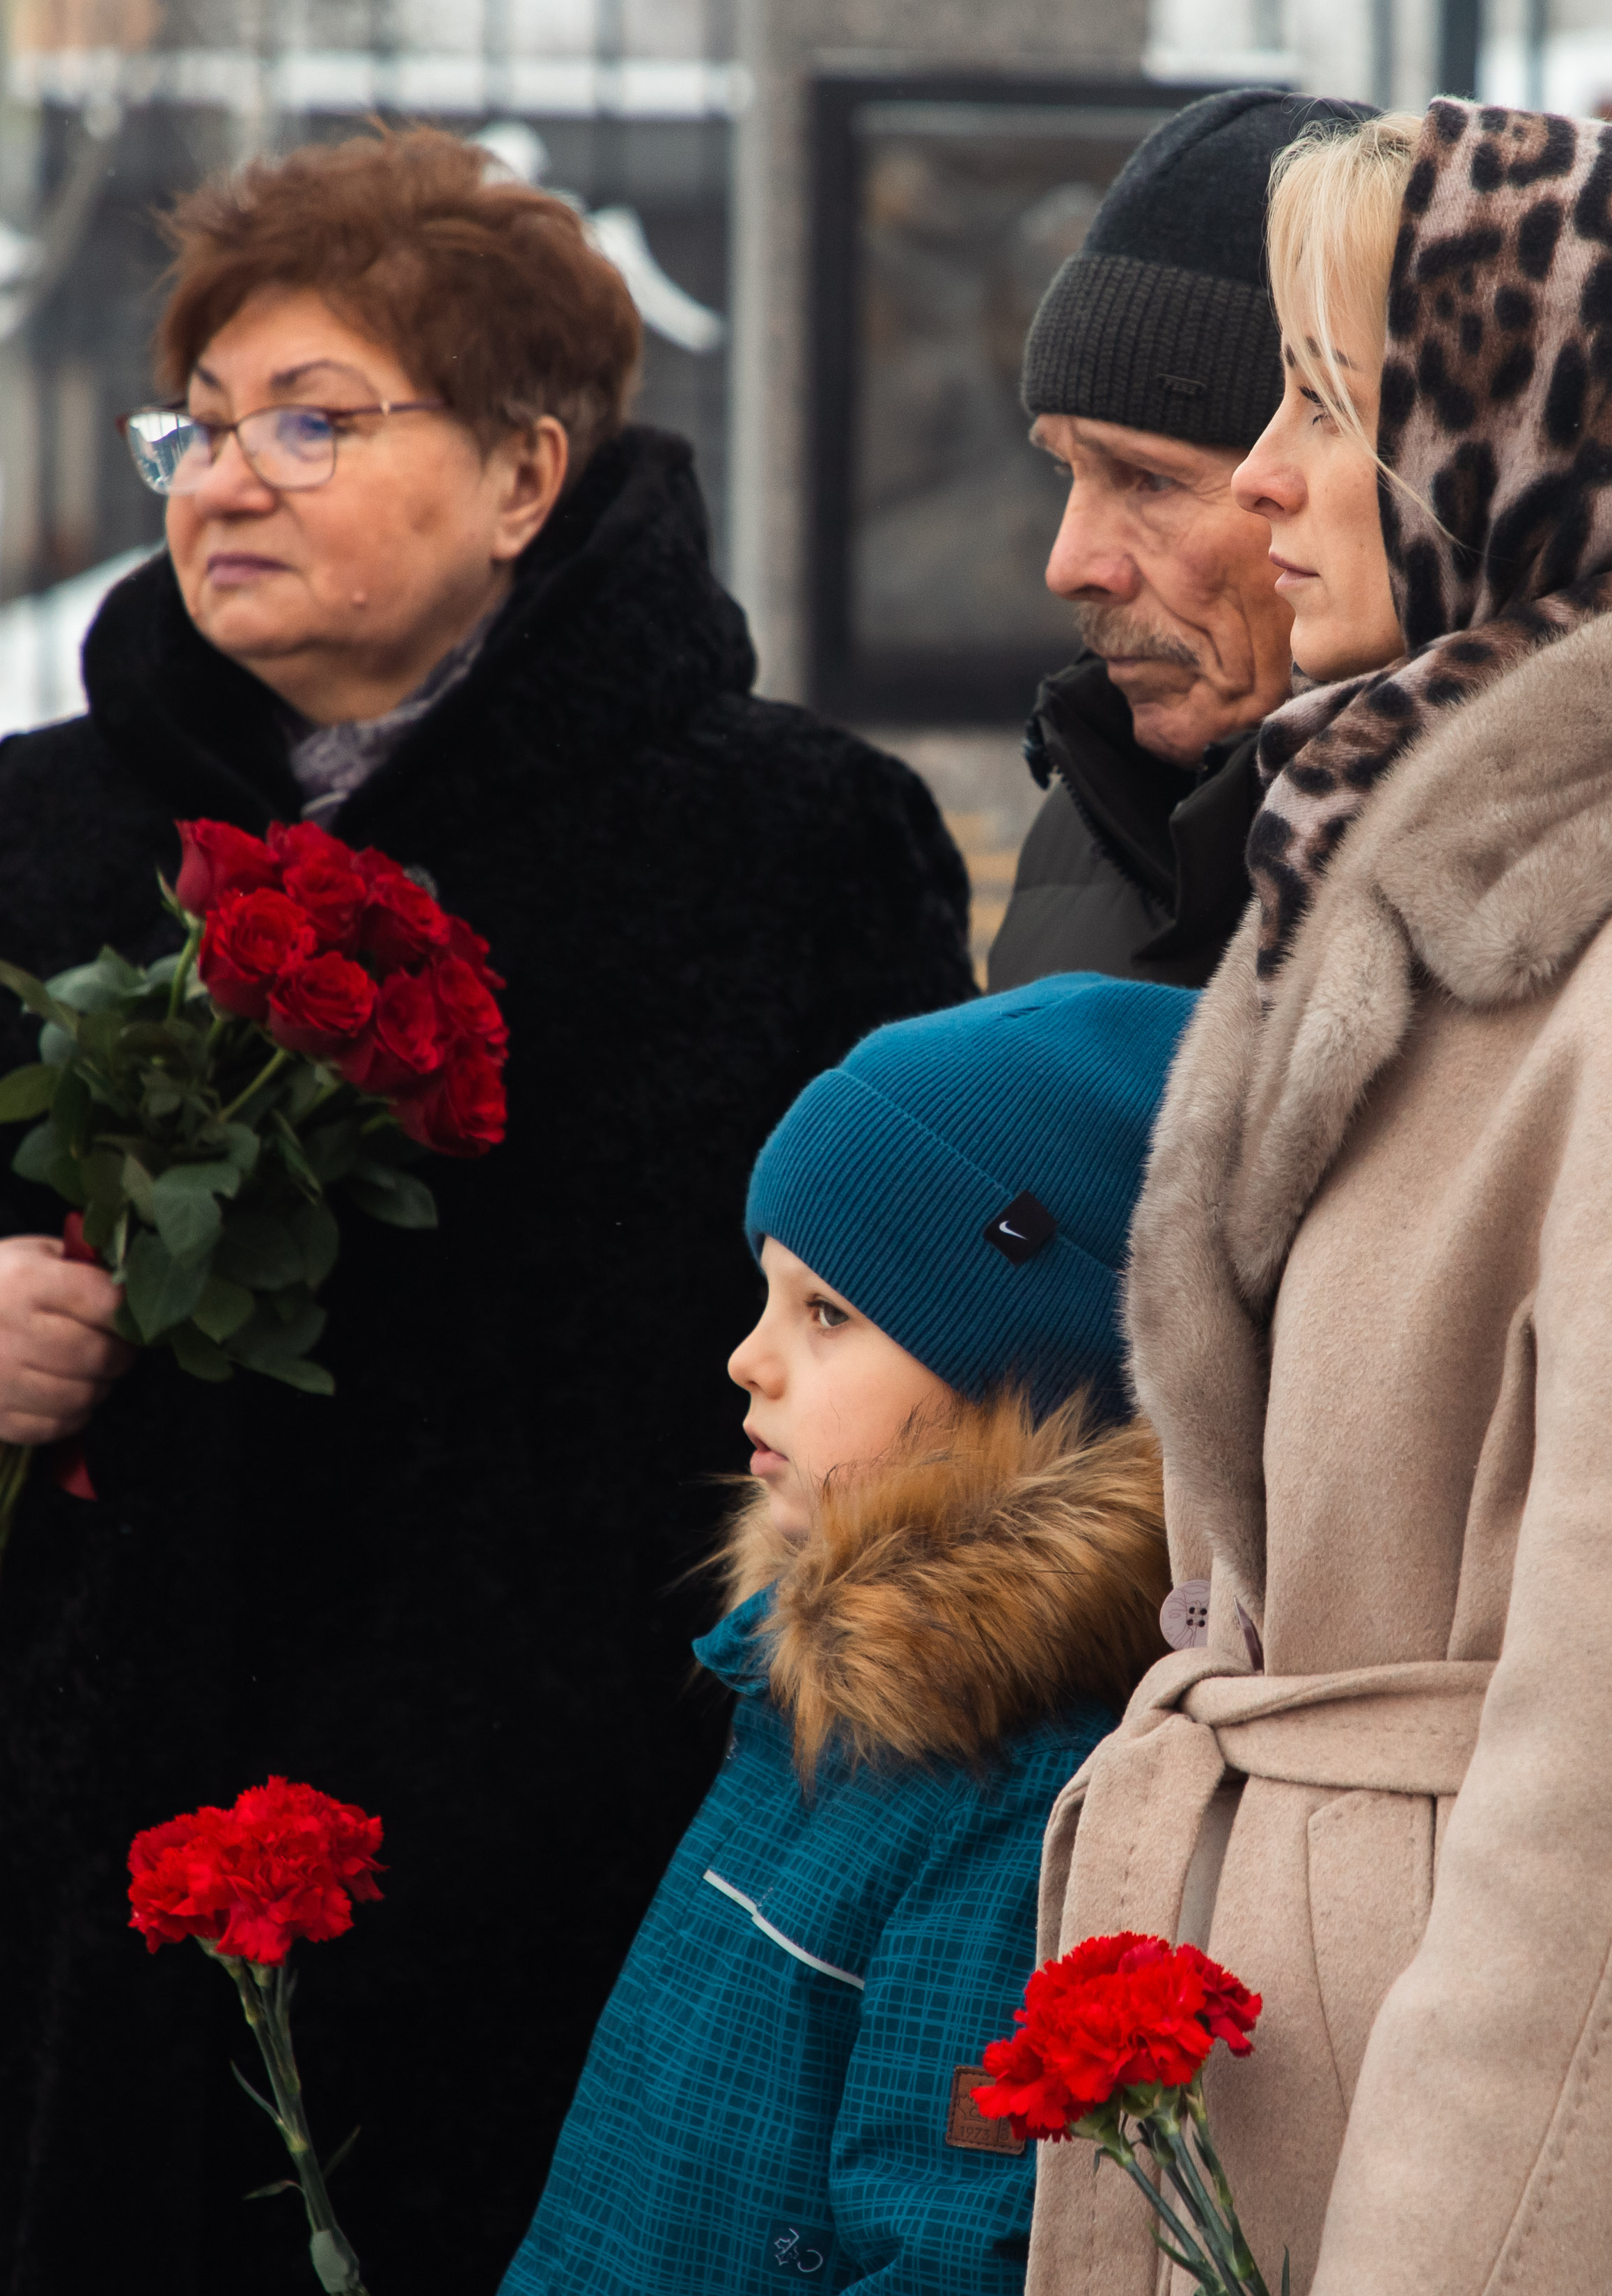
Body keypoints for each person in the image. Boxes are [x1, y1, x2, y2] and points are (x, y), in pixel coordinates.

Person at [0, 127, 976, 2292]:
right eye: (195, 422)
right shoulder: (49, 824)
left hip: (549, 1889)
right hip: (75, 1912)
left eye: (313, 420)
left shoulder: (788, 850)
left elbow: (935, 1357)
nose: (222, 478)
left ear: (524, 477)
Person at [1026, 104, 1612, 2295]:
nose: (1262, 481)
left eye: (1328, 407)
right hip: (1318, 2091)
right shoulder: (1406, 880)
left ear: (1540, 448)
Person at [497, 974, 1191, 2296]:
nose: (747, 1359)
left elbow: (954, 2251)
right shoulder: (829, 1694)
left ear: (1027, 1381)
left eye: (828, 1315)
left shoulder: (1019, 1792)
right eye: (768, 1296)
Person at [992, 86, 1365, 991]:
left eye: (1151, 480)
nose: (1070, 566)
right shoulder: (1084, 819)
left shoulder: (1519, 878)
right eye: (1066, 471)